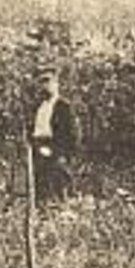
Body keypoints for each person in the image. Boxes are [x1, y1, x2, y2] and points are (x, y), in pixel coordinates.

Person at [28, 70, 80, 204]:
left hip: (55, 147)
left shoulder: (64, 106)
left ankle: (61, 209)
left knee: (58, 182)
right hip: (37, 146)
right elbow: (32, 128)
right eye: (42, 83)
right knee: (38, 182)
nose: (45, 86)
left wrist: (63, 154)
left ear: (56, 84)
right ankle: (40, 210)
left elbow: (73, 133)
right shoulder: (38, 106)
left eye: (48, 81)